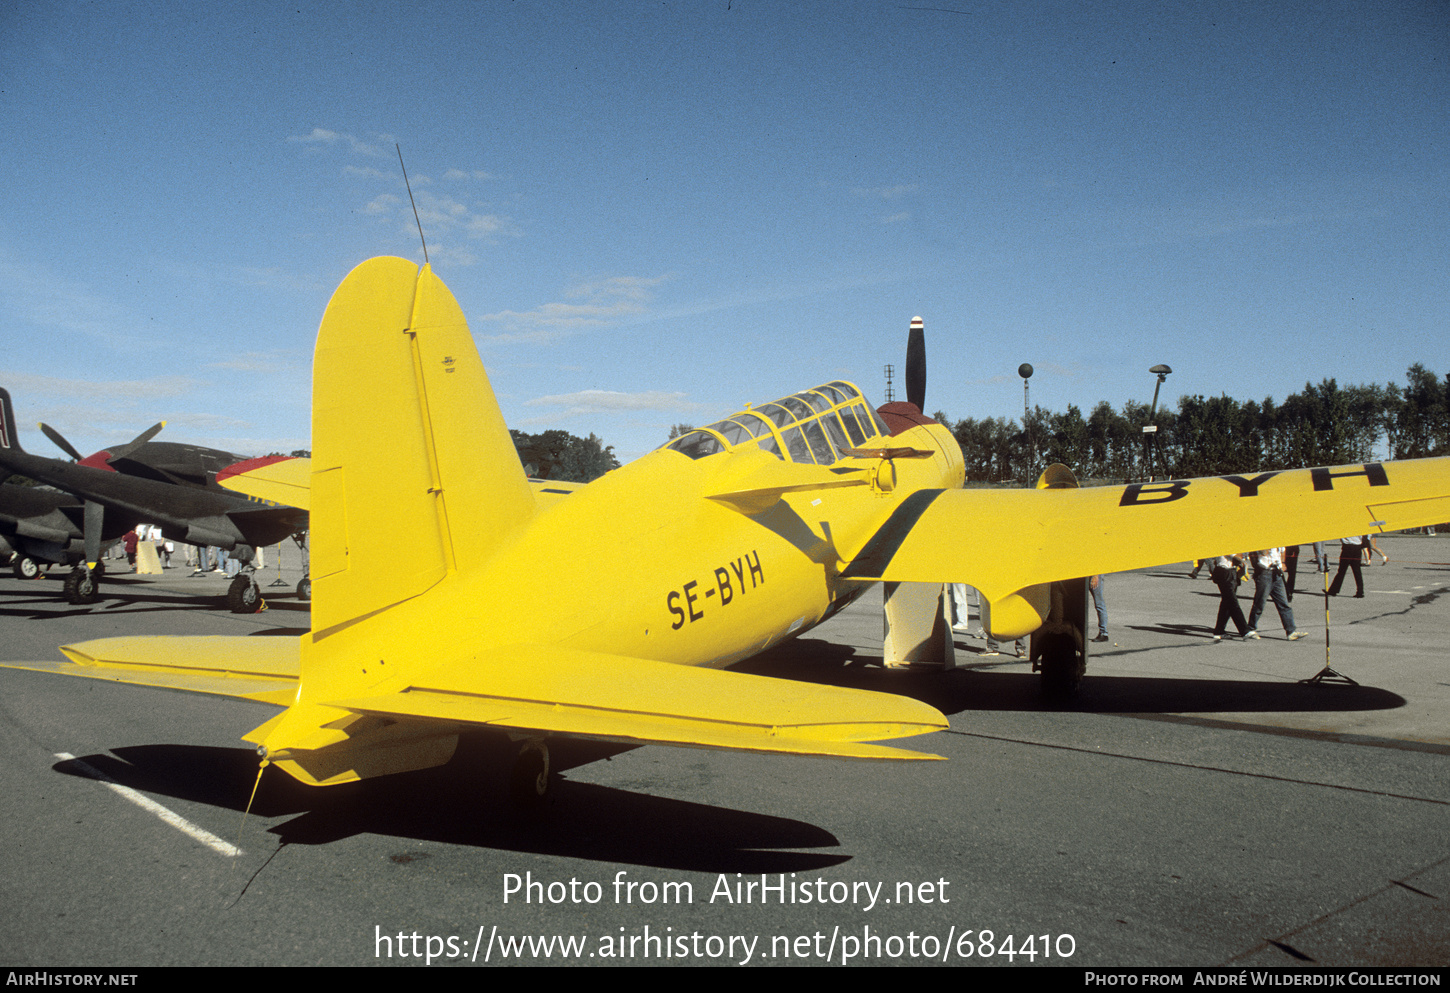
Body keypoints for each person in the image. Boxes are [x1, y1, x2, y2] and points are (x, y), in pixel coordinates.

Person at [1245, 547, 1303, 640]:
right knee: (1260, 602)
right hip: (1264, 572)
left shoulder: (1278, 539)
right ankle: (1251, 628)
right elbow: (1262, 553)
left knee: (1283, 603)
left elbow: (1283, 551)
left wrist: (1283, 562)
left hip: (1277, 572)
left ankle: (1291, 631)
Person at [1209, 553, 1251, 641]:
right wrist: (1243, 562)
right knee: (1233, 603)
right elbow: (1233, 556)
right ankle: (1244, 631)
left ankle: (1219, 631)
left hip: (1231, 572)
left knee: (1226, 604)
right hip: (1224, 572)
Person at [1089, 574, 1108, 642]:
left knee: (1099, 603)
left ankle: (1104, 633)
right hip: (1084, 575)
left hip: (1094, 574)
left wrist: (1095, 575)